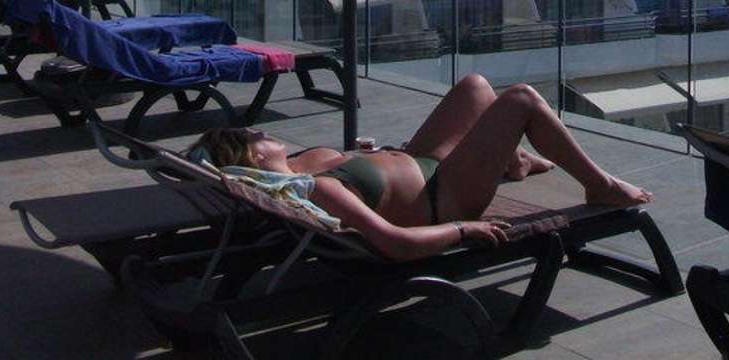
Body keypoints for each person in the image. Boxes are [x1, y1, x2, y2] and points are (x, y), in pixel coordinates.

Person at [189, 74, 651, 261]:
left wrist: (374, 157)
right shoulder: (313, 190)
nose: (260, 130)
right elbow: (396, 243)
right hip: (444, 197)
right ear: (253, 157)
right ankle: (600, 185)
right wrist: (463, 229)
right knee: (521, 100)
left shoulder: (295, 163)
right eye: (253, 136)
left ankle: (512, 160)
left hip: (421, 160)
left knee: (475, 87)